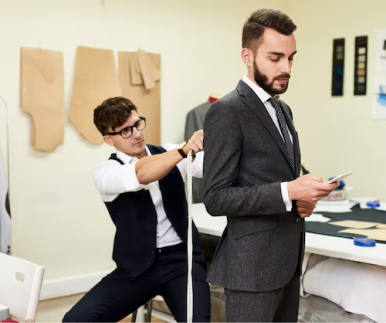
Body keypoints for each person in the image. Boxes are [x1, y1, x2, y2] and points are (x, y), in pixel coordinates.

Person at [202, 8, 339, 323]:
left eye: (291, 58)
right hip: (252, 269)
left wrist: (303, 197)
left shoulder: (283, 109)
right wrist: (288, 190)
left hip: (288, 262)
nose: (286, 67)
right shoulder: (226, 111)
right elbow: (216, 197)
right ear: (247, 56)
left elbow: (276, 179)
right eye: (275, 58)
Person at [63, 96, 211, 323]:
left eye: (137, 124)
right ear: (108, 140)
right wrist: (183, 150)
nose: (137, 134)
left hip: (182, 262)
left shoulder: (169, 152)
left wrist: (214, 142)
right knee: (76, 320)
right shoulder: (105, 173)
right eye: (125, 131)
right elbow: (141, 174)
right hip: (136, 269)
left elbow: (210, 166)